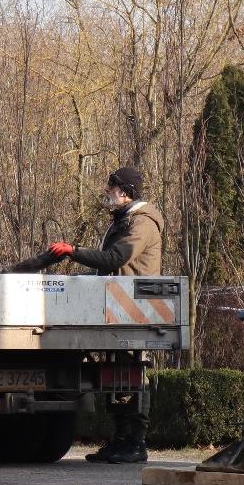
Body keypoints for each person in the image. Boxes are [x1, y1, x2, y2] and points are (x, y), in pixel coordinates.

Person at [30, 165, 164, 463]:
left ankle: (135, 443)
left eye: (112, 187)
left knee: (132, 376)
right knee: (117, 376)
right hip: (117, 308)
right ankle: (119, 440)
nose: (107, 191)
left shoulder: (142, 223)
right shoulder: (124, 220)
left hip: (134, 310)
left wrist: (73, 251)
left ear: (125, 191)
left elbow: (118, 258)